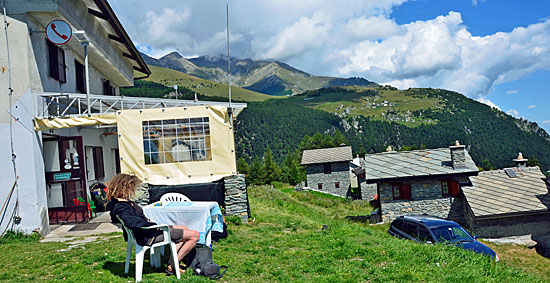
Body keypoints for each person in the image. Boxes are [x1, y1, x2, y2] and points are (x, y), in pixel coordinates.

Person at [106, 173, 199, 275]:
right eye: (132, 187)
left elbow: (131, 219)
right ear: (125, 188)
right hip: (147, 236)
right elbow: (130, 222)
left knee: (184, 228)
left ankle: (172, 263)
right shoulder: (121, 206)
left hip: (146, 231)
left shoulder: (121, 202)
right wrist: (147, 223)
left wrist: (147, 222)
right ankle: (173, 265)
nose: (133, 190)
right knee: (194, 235)